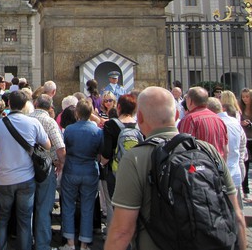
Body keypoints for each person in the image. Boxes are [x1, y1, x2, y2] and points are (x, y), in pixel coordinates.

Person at [105, 86, 247, 250]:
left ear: (140, 117)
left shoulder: (135, 158)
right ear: (178, 114)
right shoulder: (208, 150)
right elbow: (236, 216)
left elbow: (122, 231)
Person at [0, 90, 51, 250]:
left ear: (9, 104)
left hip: (3, 178)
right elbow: (47, 145)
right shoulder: (33, 123)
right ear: (25, 105)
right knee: (25, 220)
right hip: (26, 178)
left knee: (2, 219)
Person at [60, 99, 103, 250]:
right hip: (90, 169)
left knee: (68, 205)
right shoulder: (97, 131)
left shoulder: (70, 130)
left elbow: (64, 148)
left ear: (77, 112)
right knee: (87, 206)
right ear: (91, 113)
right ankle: (84, 243)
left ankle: (70, 242)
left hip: (72, 169)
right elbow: (100, 153)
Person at [29, 93, 65, 250]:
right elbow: (60, 147)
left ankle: (27, 240)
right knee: (44, 208)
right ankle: (42, 244)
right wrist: (61, 163)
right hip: (46, 168)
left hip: (27, 167)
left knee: (27, 208)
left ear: (35, 104)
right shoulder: (50, 122)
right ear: (50, 107)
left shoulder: (26, 118)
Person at [99, 93, 138, 228]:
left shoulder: (111, 124)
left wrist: (102, 164)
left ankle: (113, 235)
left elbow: (106, 153)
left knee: (113, 205)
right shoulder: (138, 125)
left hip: (114, 171)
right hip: (134, 170)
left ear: (119, 107)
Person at [178, 86, 228, 160]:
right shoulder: (218, 119)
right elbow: (225, 149)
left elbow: (184, 149)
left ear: (190, 101)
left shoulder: (189, 119)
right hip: (217, 166)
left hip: (199, 167)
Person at [238, 88, 252, 201]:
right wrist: (241, 123)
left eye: (247, 97)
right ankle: (245, 190)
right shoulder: (240, 109)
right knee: (245, 164)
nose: (245, 99)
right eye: (243, 97)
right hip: (245, 140)